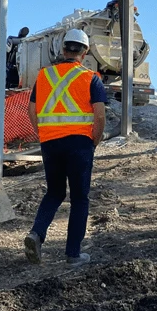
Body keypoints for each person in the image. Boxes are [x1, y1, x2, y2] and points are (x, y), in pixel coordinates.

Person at [24, 28, 107, 267]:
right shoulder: (91, 78)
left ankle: (36, 234)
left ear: (63, 49)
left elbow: (32, 110)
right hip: (80, 144)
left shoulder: (44, 76)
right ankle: (73, 254)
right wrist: (95, 140)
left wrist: (43, 134)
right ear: (85, 51)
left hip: (50, 143)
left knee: (55, 192)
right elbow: (99, 115)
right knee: (80, 197)